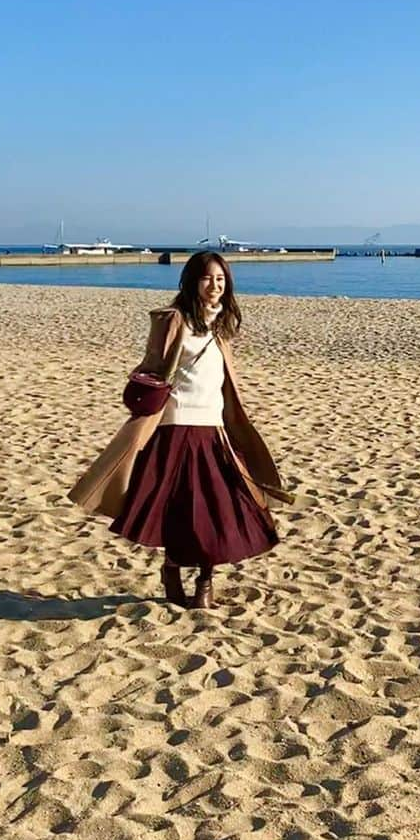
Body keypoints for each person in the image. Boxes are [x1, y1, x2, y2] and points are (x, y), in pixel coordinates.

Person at [68, 251, 292, 608]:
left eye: (220, 279)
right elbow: (151, 368)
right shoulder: (174, 320)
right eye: (207, 278)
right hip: (176, 428)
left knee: (220, 510)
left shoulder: (223, 326)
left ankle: (205, 581)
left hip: (214, 430)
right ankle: (172, 568)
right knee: (181, 511)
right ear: (191, 281)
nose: (214, 286)